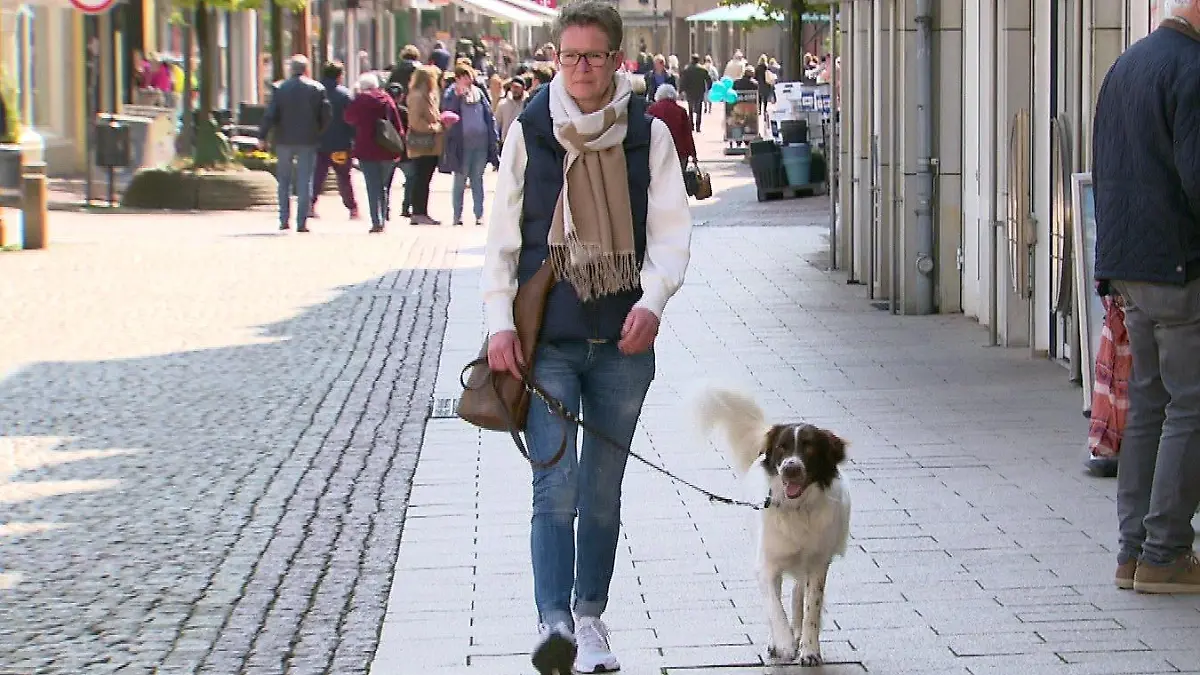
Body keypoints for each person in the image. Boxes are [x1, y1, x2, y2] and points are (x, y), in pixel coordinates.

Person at [480, 1, 693, 672]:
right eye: (568, 56)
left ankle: (590, 616)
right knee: (557, 486)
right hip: (548, 340)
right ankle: (553, 623)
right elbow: (500, 237)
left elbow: (671, 232)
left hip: (623, 343)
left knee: (602, 489)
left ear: (617, 61)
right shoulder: (532, 129)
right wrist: (497, 322)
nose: (578, 68)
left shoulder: (647, 136)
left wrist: (653, 301)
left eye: (592, 57)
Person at [1092, 0, 1200, 594]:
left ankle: (1133, 551)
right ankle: (1165, 551)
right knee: (1191, 406)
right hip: (1180, 267)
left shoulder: (1125, 66)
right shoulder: (1192, 70)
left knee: (1150, 406)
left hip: (1131, 265)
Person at [258, 54, 332, 232]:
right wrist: (318, 132)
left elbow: (271, 114)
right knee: (305, 180)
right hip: (308, 140)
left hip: (284, 139)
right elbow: (326, 115)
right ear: (306, 69)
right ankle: (302, 222)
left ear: (290, 70)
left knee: (283, 180)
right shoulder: (317, 88)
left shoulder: (280, 88)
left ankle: (284, 219)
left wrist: (263, 135)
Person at [441, 64, 500, 227]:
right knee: (460, 180)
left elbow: (489, 114)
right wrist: (457, 97)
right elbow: (446, 112)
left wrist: (493, 136)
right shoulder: (451, 93)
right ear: (458, 78)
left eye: (470, 76)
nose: (469, 79)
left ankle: (479, 214)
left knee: (477, 179)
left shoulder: (478, 92)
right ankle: (457, 215)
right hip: (462, 145)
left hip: (480, 143)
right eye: (465, 76)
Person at [344, 73, 403, 233]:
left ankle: (376, 221)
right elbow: (397, 124)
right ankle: (382, 219)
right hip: (387, 149)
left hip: (366, 149)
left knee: (372, 186)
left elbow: (348, 117)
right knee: (383, 186)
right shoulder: (387, 99)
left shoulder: (360, 101)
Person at [312, 60, 359, 220]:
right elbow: (352, 120)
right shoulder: (344, 95)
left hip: (319, 142)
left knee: (317, 175)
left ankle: (310, 205)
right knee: (344, 177)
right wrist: (354, 139)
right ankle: (352, 208)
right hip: (341, 143)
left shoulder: (316, 92)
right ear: (339, 76)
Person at [404, 65, 445, 225]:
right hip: (422, 143)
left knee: (425, 179)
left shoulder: (430, 95)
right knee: (420, 178)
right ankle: (418, 212)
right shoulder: (417, 96)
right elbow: (415, 121)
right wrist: (435, 127)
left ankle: (422, 211)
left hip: (431, 145)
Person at [646, 84, 696, 170]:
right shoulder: (681, 111)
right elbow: (687, 134)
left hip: (657, 150)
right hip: (679, 151)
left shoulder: (651, 110)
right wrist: (693, 154)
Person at [678, 53, 711, 132]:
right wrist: (709, 88)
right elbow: (709, 80)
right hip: (699, 91)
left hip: (689, 91)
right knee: (699, 108)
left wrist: (681, 90)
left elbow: (683, 81)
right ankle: (698, 126)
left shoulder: (687, 69)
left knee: (690, 109)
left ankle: (691, 125)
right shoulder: (703, 69)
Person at [494, 76, 529, 149]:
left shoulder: (528, 103)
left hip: (523, 143)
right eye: (513, 87)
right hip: (506, 143)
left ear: (523, 88)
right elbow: (496, 124)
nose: (514, 90)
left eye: (517, 87)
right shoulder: (503, 104)